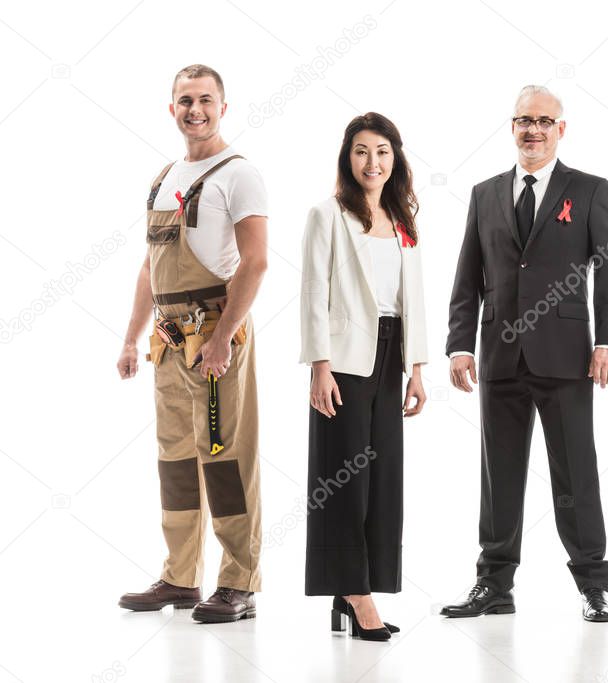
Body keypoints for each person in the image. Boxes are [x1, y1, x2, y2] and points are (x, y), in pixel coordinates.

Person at [442, 85, 608, 622]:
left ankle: (594, 584)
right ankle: (493, 585)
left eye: (545, 121)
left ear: (561, 129)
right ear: (512, 126)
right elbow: (467, 275)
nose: (534, 130)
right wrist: (458, 345)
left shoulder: (590, 190)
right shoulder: (484, 193)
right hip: (499, 354)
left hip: (567, 355)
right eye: (524, 120)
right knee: (499, 475)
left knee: (576, 471)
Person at [116, 64, 268, 623]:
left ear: (223, 107)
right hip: (166, 340)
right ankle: (180, 578)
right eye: (185, 100)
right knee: (176, 461)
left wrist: (224, 338)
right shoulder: (165, 176)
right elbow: (149, 269)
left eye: (206, 99)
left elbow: (256, 262)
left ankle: (239, 583)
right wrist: (132, 338)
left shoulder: (239, 174)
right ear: (172, 108)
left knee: (226, 461)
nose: (195, 110)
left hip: (214, 336)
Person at [300, 112, 428, 641]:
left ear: (394, 157)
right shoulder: (327, 214)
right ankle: (356, 594)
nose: (371, 161)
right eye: (360, 151)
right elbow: (312, 291)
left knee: (382, 479)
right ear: (347, 158)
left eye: (381, 151)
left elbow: (413, 297)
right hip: (345, 357)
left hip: (393, 351)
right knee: (343, 478)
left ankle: (353, 591)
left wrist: (418, 368)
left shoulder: (403, 219)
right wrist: (319, 365)